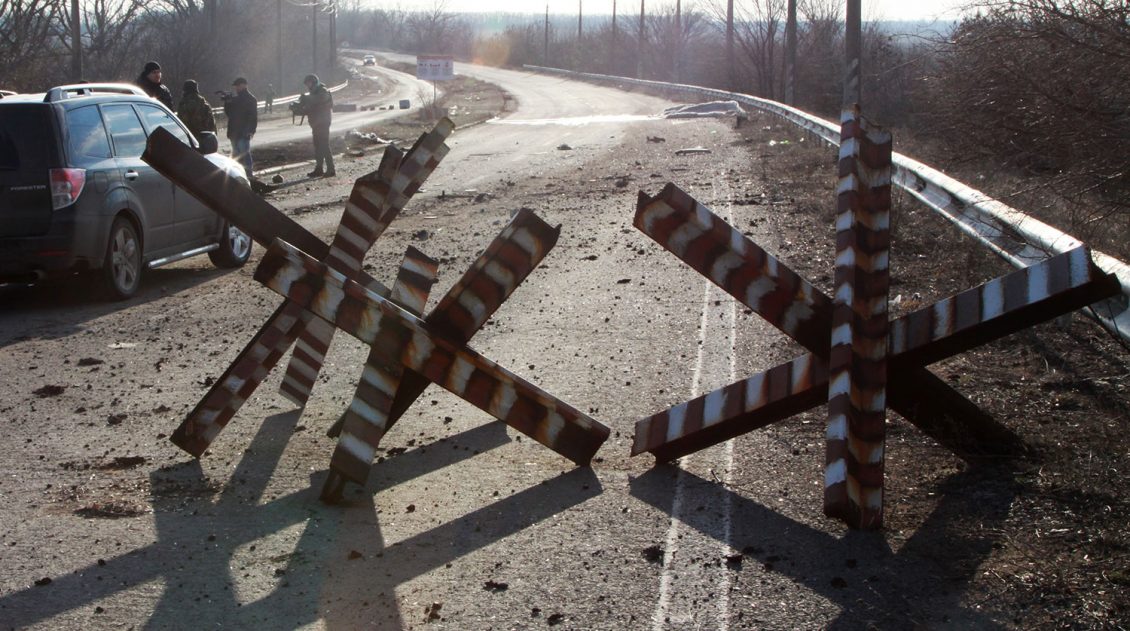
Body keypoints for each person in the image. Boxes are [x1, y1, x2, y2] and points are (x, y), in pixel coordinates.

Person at [299, 74, 334, 177]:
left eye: (309, 83)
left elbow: (319, 99)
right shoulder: (313, 93)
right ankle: (319, 169)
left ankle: (331, 169)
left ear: (314, 82)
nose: (307, 86)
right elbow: (312, 106)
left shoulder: (323, 91)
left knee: (324, 146)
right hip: (316, 123)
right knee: (318, 146)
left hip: (323, 122)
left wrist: (306, 99)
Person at [223, 77, 258, 178]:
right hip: (234, 131)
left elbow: (253, 117)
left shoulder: (250, 99)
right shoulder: (235, 99)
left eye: (238, 86)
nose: (236, 88)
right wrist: (227, 102)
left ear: (244, 85)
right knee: (236, 155)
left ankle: (248, 175)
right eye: (236, 86)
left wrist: (251, 131)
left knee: (244, 154)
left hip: (243, 132)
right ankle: (238, 175)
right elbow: (229, 113)